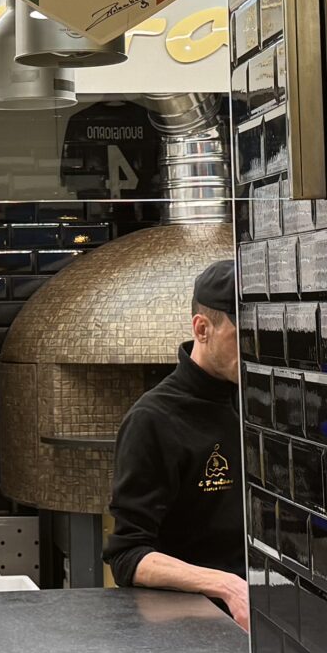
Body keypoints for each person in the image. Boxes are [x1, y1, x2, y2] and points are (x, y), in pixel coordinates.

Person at [105, 258, 248, 628]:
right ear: (202, 329)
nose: (255, 348)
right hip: (190, 622)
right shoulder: (153, 419)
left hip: (267, 612)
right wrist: (227, 586)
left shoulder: (264, 402)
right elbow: (128, 556)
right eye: (242, 335)